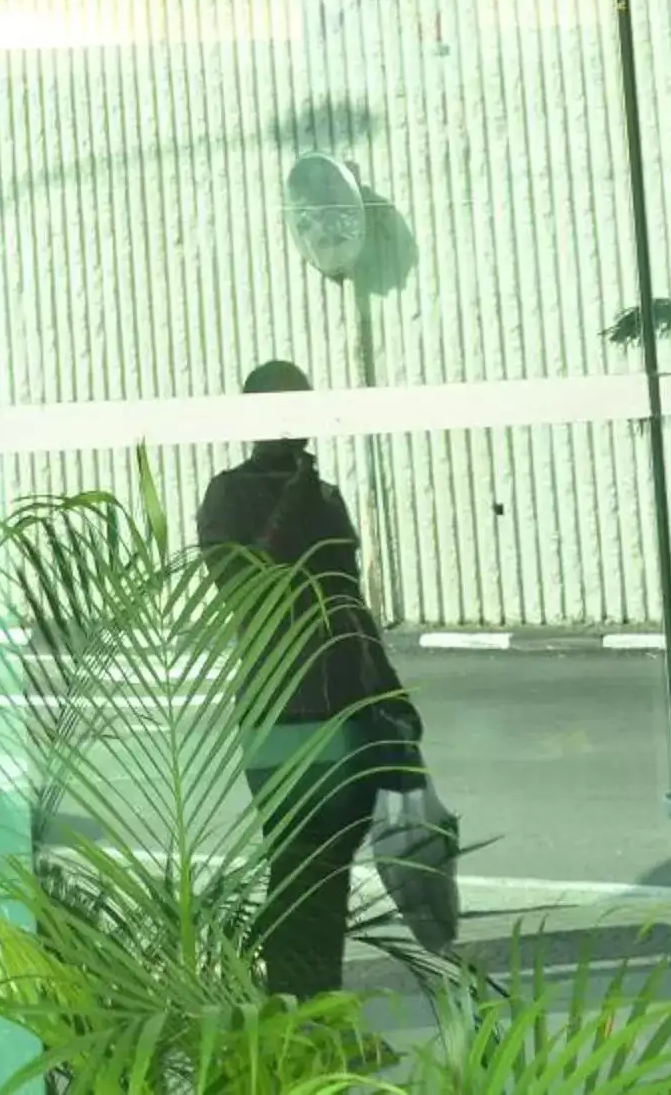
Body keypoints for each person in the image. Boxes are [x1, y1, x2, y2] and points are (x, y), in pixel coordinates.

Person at [198, 360, 423, 996]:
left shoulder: (327, 496)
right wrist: (295, 492)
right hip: (283, 709)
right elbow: (251, 586)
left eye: (302, 406)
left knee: (330, 876)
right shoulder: (230, 493)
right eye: (279, 409)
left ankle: (317, 1014)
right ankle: (289, 1015)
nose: (294, 422)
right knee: (296, 872)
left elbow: (349, 603)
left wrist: (392, 697)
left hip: (346, 707)